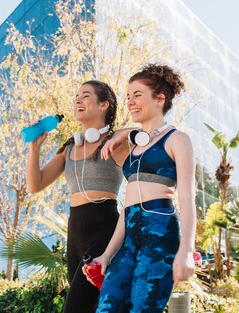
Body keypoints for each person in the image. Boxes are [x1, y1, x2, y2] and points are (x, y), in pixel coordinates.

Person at [94, 64, 196, 313]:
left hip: (160, 230)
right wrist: (107, 255)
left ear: (160, 99)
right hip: (130, 231)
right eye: (128, 96)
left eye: (138, 95)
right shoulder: (134, 146)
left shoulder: (177, 139)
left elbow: (187, 196)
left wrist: (186, 250)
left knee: (143, 308)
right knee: (106, 307)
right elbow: (127, 208)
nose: (130, 102)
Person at [26, 80, 122, 313]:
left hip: (104, 227)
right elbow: (35, 185)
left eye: (86, 96)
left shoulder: (116, 141)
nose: (78, 99)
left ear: (103, 105)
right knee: (92, 307)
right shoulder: (68, 148)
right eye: (76, 95)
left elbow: (143, 139)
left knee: (75, 308)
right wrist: (34, 148)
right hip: (75, 231)